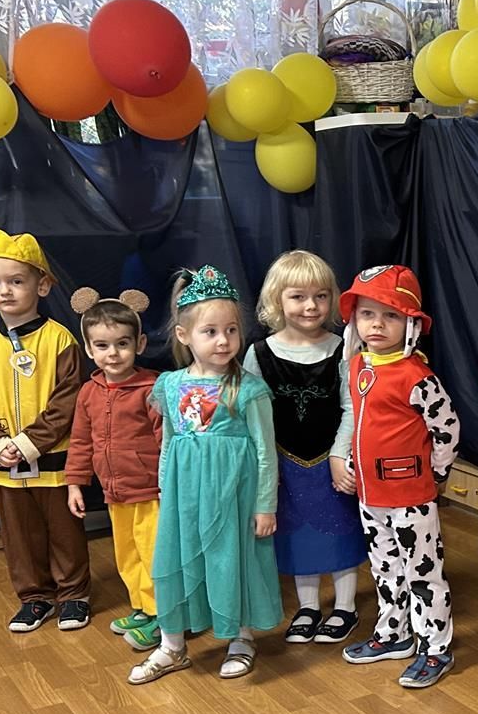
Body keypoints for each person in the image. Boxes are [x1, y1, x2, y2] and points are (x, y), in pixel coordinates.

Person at [128, 267, 282, 684]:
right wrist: (165, 490)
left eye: (231, 330)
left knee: (233, 561)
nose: (223, 341)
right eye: (210, 332)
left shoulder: (248, 389)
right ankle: (172, 646)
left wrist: (265, 505)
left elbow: (265, 452)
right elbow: (169, 443)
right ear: (184, 335)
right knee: (177, 562)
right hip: (185, 497)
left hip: (233, 497)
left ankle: (241, 638)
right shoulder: (171, 386)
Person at [0, 229, 91, 633]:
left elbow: (68, 398)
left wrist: (30, 442)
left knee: (65, 531)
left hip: (53, 459)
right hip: (4, 463)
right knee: (18, 535)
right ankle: (35, 598)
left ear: (42, 285)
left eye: (16, 281)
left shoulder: (60, 339)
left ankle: (74, 594)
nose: (6, 291)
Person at [338, 265, 460, 689]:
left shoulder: (417, 377)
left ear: (410, 324)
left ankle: (436, 647)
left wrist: (437, 473)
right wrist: (352, 461)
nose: (377, 324)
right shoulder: (357, 366)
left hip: (410, 495)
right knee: (385, 568)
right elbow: (361, 422)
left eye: (390, 315)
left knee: (423, 573)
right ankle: (394, 633)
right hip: (370, 495)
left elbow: (447, 428)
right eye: (368, 314)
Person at [244, 250, 366, 648]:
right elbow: (252, 416)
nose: (311, 305)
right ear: (277, 299)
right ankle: (308, 607)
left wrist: (339, 455)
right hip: (284, 465)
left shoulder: (343, 349)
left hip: (333, 463)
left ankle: (345, 607)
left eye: (321, 296)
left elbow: (352, 407)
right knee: (299, 537)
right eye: (298, 296)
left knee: (341, 533)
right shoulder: (259, 354)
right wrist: (264, 466)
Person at [65, 288, 163, 651]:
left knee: (154, 556)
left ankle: (164, 615)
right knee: (127, 555)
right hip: (114, 493)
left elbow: (167, 441)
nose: (113, 353)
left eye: (122, 344)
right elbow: (80, 440)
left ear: (140, 344)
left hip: (152, 492)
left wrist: (171, 483)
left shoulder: (152, 388)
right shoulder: (88, 392)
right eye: (103, 346)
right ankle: (141, 607)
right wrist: (75, 483)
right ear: (89, 349)